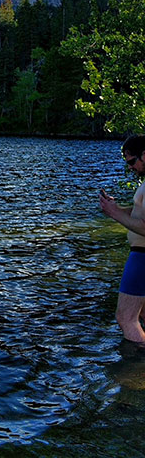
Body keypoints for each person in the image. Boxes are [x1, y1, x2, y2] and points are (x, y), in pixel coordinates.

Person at [99, 134, 145, 343]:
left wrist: (114, 214)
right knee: (142, 315)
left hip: (142, 258)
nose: (131, 168)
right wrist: (116, 209)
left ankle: (134, 370)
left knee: (126, 318)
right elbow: (139, 214)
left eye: (132, 162)